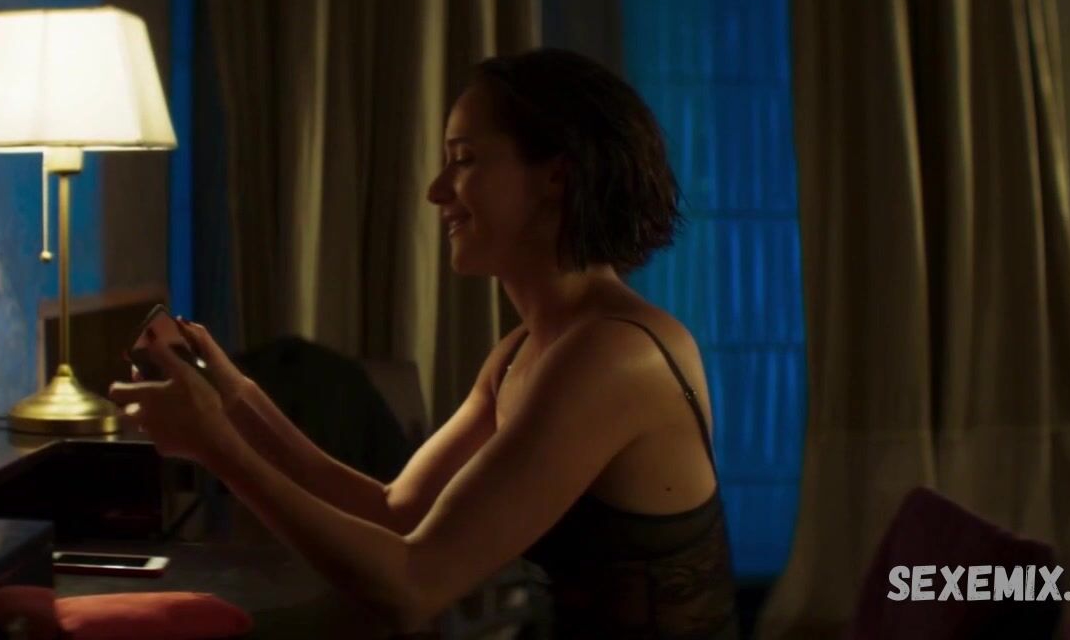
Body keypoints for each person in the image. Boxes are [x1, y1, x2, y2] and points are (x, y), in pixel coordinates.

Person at [110, 48, 738, 638]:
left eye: (464, 159)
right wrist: (236, 400)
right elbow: (396, 511)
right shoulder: (523, 352)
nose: (437, 190)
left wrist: (217, 448)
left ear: (556, 176)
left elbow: (412, 586)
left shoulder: (615, 355)